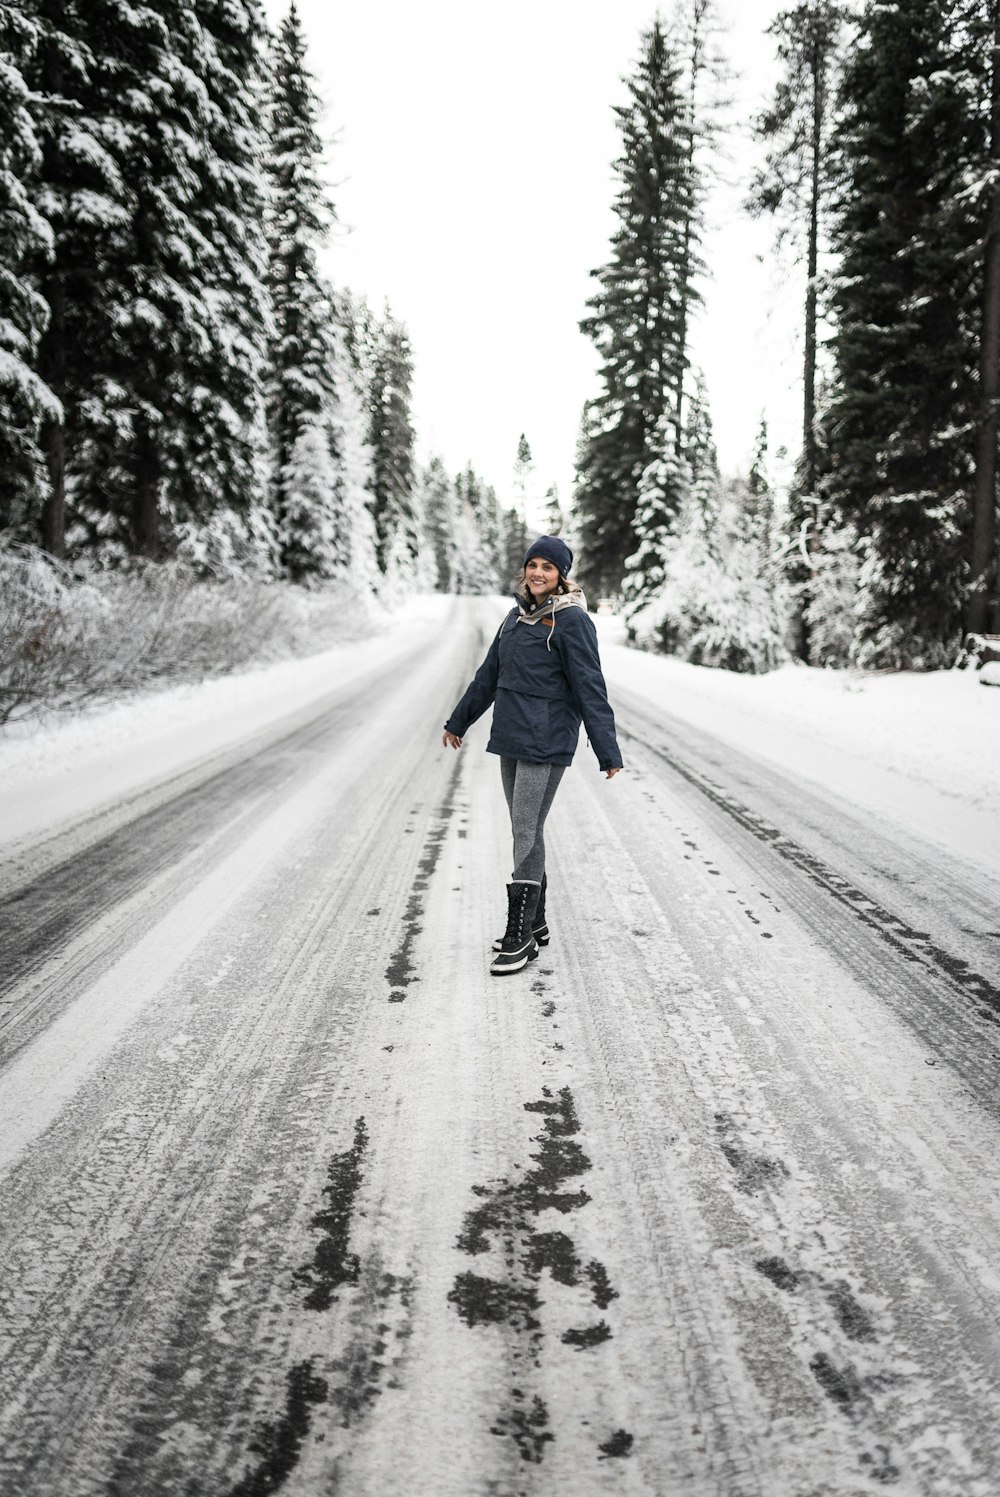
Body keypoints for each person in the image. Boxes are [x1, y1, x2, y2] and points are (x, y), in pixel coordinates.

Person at [442, 536, 623, 976]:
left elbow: (590, 687)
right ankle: (536, 920)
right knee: (526, 826)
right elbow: (489, 675)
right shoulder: (516, 616)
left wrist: (606, 748)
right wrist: (458, 721)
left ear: (562, 575)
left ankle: (520, 935)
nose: (538, 573)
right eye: (533, 565)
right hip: (511, 735)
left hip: (547, 739)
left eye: (549, 567)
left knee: (524, 827)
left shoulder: (573, 622)